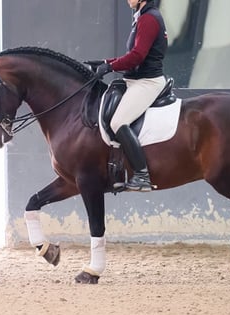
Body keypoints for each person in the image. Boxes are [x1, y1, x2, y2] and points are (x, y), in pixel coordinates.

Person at [87, 0, 168, 192]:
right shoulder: (142, 17)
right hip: (136, 80)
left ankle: (142, 176)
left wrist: (110, 67)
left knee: (118, 122)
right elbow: (133, 54)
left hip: (147, 82)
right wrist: (105, 62)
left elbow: (138, 56)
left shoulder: (149, 19)